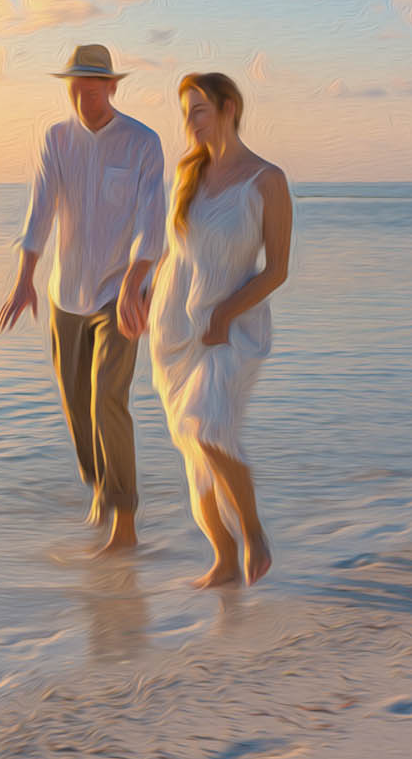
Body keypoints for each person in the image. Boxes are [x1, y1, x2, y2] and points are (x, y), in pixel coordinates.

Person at [0, 44, 166, 555]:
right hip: (65, 294)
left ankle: (125, 522)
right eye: (75, 88)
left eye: (93, 89)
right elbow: (40, 210)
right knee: (77, 409)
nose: (83, 98)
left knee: (107, 399)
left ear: (112, 87)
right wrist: (25, 277)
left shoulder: (142, 142)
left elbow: (152, 220)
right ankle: (100, 489)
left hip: (120, 294)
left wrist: (137, 279)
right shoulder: (56, 139)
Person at [146, 72, 292, 587]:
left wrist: (226, 313)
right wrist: (140, 293)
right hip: (175, 328)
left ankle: (253, 533)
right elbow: (174, 252)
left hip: (232, 328)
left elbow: (277, 270)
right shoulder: (189, 174)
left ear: (230, 107)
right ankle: (224, 559)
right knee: (193, 449)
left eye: (199, 109)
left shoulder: (267, 181)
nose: (190, 122)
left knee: (205, 427)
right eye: (186, 112)